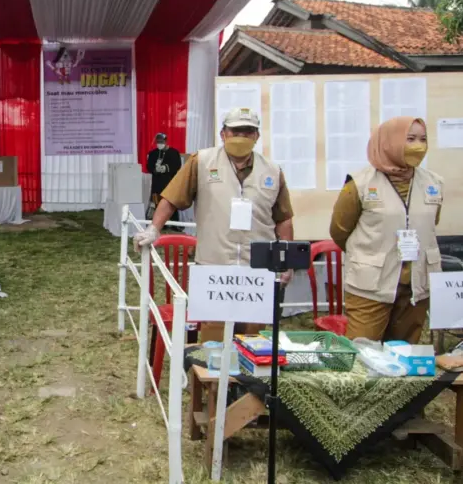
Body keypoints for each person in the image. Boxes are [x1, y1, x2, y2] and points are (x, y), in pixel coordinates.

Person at [134, 108, 295, 342]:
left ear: (257, 136)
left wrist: (286, 259)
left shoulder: (272, 170)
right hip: (214, 267)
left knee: (254, 337)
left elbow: (283, 218)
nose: (241, 136)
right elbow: (171, 199)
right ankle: (207, 380)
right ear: (223, 133)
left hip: (257, 269)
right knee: (213, 340)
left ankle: (245, 380)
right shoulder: (202, 161)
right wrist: (154, 229)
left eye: (247, 131)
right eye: (235, 130)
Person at [329, 116, 443, 344]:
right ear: (390, 142)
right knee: (364, 355)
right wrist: (367, 255)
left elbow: (431, 225)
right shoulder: (359, 185)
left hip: (417, 285)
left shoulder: (434, 183)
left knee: (405, 355)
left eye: (423, 139)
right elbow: (340, 231)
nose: (418, 146)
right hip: (371, 284)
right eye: (410, 139)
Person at [146, 133, 182, 221]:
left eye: (161, 141)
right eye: (157, 142)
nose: (159, 143)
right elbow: (149, 166)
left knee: (170, 202)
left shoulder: (174, 152)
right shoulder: (153, 153)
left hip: (169, 182)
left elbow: (177, 165)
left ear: (166, 141)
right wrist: (155, 169)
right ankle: (159, 222)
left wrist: (165, 168)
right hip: (157, 183)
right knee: (157, 202)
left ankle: (173, 223)